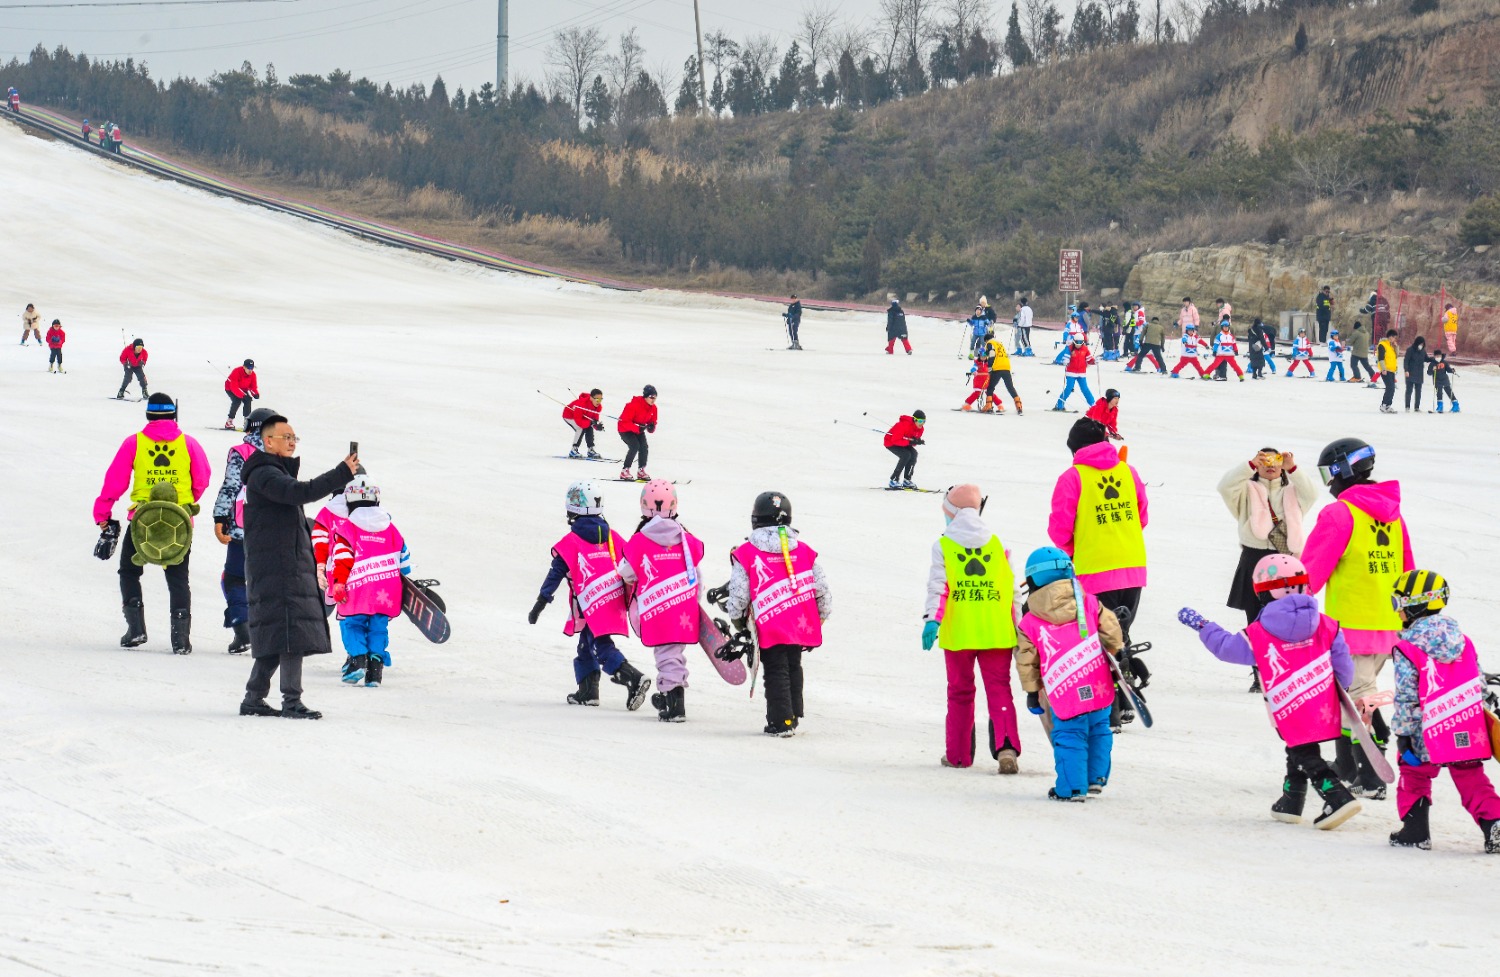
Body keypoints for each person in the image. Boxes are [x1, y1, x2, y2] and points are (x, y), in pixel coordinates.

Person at [1177, 554, 1362, 830]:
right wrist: (1341, 689)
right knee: (1299, 746)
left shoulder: (1260, 632)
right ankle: (1292, 797)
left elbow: (1227, 648)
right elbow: (1343, 665)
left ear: (1264, 592)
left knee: (1303, 749)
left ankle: (1336, 795)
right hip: (1323, 701)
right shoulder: (1327, 624)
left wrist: (1204, 626)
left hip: (1288, 705)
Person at [1302, 437, 1414, 798]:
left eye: (1327, 474)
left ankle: (1371, 773)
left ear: (1341, 470)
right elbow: (1407, 568)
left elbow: (1311, 569)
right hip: (1387, 622)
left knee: (1358, 699)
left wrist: (1292, 607)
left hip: (1351, 623)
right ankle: (1349, 765)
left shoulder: (1339, 514)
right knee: (1349, 697)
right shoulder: (1393, 515)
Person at [238, 416, 358, 719]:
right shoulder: (265, 473)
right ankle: (291, 701)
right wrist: (341, 473)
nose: (292, 442)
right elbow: (300, 492)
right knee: (291, 633)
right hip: (278, 567)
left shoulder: (270, 472)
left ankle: (254, 698)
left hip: (280, 563)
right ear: (268, 441)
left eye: (294, 437)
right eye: (286, 437)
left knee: (278, 633)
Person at [1387, 571, 1500, 853]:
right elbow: (1477, 681)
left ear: (1415, 604)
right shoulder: (1464, 641)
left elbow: (1406, 696)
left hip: (1426, 728)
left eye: (1397, 602)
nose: (1397, 610)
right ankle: (1495, 823)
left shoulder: (1407, 647)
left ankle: (1415, 831)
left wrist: (1403, 735)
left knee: (1414, 773)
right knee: (1471, 776)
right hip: (1464, 723)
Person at [1048, 418, 1150, 726]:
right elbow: (1141, 515)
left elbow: (1060, 528)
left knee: (1099, 637)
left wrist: (1073, 550)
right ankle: (1128, 693)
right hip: (1132, 565)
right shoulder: (1127, 471)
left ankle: (1113, 707)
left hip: (1095, 568)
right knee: (1121, 631)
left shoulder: (1073, 477)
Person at [93, 392, 211, 653]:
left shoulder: (134, 443)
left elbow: (115, 481)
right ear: (173, 415)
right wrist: (186, 505)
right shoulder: (188, 444)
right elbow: (202, 477)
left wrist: (102, 513)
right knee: (178, 578)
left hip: (142, 521)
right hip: (178, 523)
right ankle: (180, 640)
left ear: (148, 416)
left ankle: (136, 630)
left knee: (130, 571)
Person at [922, 484, 1022, 773]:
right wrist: (1018, 630)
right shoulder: (997, 546)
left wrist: (932, 620)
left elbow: (939, 586)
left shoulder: (944, 545)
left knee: (960, 692)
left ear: (951, 513)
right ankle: (1006, 748)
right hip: (996, 632)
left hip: (960, 633)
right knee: (999, 690)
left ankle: (958, 754)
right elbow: (1012, 591)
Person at [528, 480, 651, 711]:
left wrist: (540, 603)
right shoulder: (612, 536)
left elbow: (555, 575)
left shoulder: (571, 542)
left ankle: (633, 677)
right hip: (612, 598)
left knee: (599, 645)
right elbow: (633, 559)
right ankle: (587, 691)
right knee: (586, 644)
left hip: (592, 602)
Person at [1016, 547, 1124, 801]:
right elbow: (1111, 632)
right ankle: (1095, 778)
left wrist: (1033, 692)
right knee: (1099, 728)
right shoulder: (1090, 603)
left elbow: (1026, 660)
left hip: (1063, 687)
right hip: (1097, 679)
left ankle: (1072, 787)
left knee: (1069, 733)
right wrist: (1114, 654)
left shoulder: (1030, 621)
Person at [722, 491, 832, 737]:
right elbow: (822, 590)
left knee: (775, 669)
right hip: (799, 620)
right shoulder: (804, 550)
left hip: (769, 621)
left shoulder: (747, 552)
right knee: (793, 664)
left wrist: (738, 619)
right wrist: (820, 617)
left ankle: (780, 721)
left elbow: (739, 593)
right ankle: (792, 714)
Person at [1217, 449, 1317, 692]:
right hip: (1255, 558)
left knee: (1289, 618)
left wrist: (1294, 468)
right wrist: (1249, 464)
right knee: (1256, 620)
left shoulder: (1292, 491)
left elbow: (1312, 494)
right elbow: (1224, 486)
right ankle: (1260, 674)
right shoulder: (1245, 493)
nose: (1270, 465)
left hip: (1288, 560)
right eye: (1264, 461)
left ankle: (1290, 670)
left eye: (1276, 460)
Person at [619, 480, 705, 723]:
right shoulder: (686, 538)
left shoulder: (640, 539)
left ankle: (673, 703)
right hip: (683, 604)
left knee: (666, 653)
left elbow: (626, 571)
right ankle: (669, 695)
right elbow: (696, 572)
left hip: (658, 607)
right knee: (674, 651)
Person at [323, 475, 411, 689]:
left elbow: (341, 559)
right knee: (378, 627)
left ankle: (358, 660)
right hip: (387, 590)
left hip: (355, 590)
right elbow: (404, 557)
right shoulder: (391, 528)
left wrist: (336, 584)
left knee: (351, 624)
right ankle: (375, 671)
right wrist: (406, 577)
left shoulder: (347, 529)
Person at [212, 406, 276, 655]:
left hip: (243, 527)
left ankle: (243, 629)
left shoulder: (241, 452)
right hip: (274, 528)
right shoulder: (281, 451)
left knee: (234, 578)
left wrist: (219, 517)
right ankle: (271, 633)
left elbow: (230, 487)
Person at [617, 384, 658, 482]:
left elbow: (652, 422)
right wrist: (637, 428)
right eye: (651, 397)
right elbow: (624, 422)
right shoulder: (633, 405)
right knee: (635, 446)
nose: (653, 399)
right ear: (645, 397)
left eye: (655, 397)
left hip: (638, 430)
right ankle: (625, 470)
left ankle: (641, 470)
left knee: (644, 447)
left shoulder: (654, 408)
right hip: (625, 429)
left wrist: (651, 427)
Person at [883, 410, 926, 489]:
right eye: (920, 421)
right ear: (914, 419)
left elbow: (912, 442)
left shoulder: (920, 429)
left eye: (924, 421)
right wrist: (910, 442)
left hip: (903, 442)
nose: (922, 423)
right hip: (891, 443)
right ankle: (894, 480)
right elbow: (895, 440)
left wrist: (917, 441)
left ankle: (907, 480)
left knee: (914, 454)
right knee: (906, 455)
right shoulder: (903, 425)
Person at [1053, 337, 1096, 412]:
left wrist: (1094, 361)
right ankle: (1059, 404)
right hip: (1071, 373)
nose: (1078, 344)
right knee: (1069, 388)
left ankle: (1093, 406)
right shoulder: (1070, 348)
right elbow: (1066, 357)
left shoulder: (1085, 349)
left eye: (1080, 342)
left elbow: (1089, 360)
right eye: (1077, 342)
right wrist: (1065, 361)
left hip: (1081, 373)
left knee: (1085, 389)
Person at [982, 332, 1021, 414]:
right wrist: (984, 354)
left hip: (997, 367)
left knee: (990, 388)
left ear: (986, 340)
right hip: (1006, 366)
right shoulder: (999, 343)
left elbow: (992, 354)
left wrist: (989, 367)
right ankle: (1019, 405)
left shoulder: (989, 343)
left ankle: (988, 406)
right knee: (1010, 387)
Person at [563, 388, 605, 459]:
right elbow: (579, 422)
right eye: (597, 399)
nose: (599, 402)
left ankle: (590, 450)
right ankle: (573, 450)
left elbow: (594, 419)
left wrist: (596, 425)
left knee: (589, 427)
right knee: (581, 428)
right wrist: (591, 423)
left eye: (601, 399)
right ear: (591, 398)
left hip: (582, 418)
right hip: (569, 416)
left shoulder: (598, 407)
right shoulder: (581, 404)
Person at [223, 358, 259, 430]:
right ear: (244, 367)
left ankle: (247, 421)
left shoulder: (253, 375)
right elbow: (234, 386)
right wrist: (242, 395)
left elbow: (253, 387)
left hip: (243, 389)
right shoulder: (236, 371)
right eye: (248, 368)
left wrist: (255, 393)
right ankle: (229, 421)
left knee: (248, 400)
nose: (250, 370)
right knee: (237, 401)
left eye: (252, 368)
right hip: (230, 388)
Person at [1403, 336, 1430, 412]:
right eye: (1420, 344)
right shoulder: (1410, 350)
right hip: (1410, 373)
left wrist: (1434, 359)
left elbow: (1426, 359)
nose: (1421, 345)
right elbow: (1406, 361)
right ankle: (1407, 406)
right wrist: (1406, 370)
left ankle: (1417, 407)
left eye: (1423, 344)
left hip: (1419, 373)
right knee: (1409, 390)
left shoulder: (1423, 351)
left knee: (1418, 391)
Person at [1375, 328, 1399, 412]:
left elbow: (1396, 356)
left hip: (1392, 370)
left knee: (1392, 389)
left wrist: (1396, 347)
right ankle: (1384, 405)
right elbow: (1380, 358)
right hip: (1386, 370)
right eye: (1394, 337)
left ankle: (1388, 405)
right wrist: (1383, 369)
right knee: (1390, 388)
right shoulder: (1382, 345)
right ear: (1390, 337)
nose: (1394, 339)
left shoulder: (1391, 346)